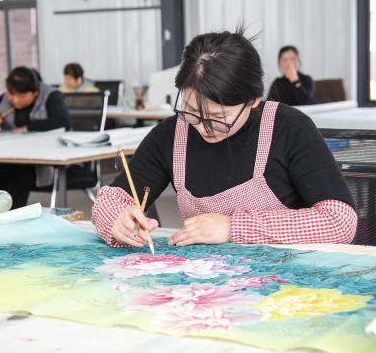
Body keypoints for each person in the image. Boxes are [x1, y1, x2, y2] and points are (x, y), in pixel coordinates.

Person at [92, 29, 357, 248]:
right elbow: (112, 199)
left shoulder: (289, 128)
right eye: (192, 111)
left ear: (254, 100)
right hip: (206, 284)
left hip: (286, 284)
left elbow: (340, 220)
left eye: (218, 117)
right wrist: (117, 221)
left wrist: (234, 227)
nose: (203, 127)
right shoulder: (174, 134)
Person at [0, 66, 72, 208]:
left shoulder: (51, 96)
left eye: (21, 96)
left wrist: (26, 129)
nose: (15, 100)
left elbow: (63, 122)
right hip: (12, 157)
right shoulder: (5, 100)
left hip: (43, 160)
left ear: (35, 92)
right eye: (11, 94)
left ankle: (14, 217)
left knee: (19, 177)